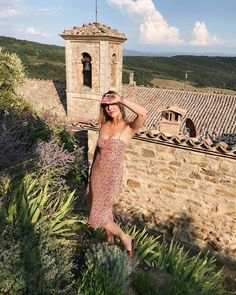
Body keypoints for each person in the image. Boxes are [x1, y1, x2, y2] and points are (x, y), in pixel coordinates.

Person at [88, 90, 147, 257]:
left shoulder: (129, 127)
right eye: (106, 105)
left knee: (97, 215)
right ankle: (109, 242)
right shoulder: (104, 125)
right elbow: (97, 153)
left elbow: (143, 113)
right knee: (105, 210)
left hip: (112, 176)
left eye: (113, 104)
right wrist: (90, 175)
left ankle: (125, 237)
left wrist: (120, 98)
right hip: (96, 174)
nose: (109, 108)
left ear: (120, 105)